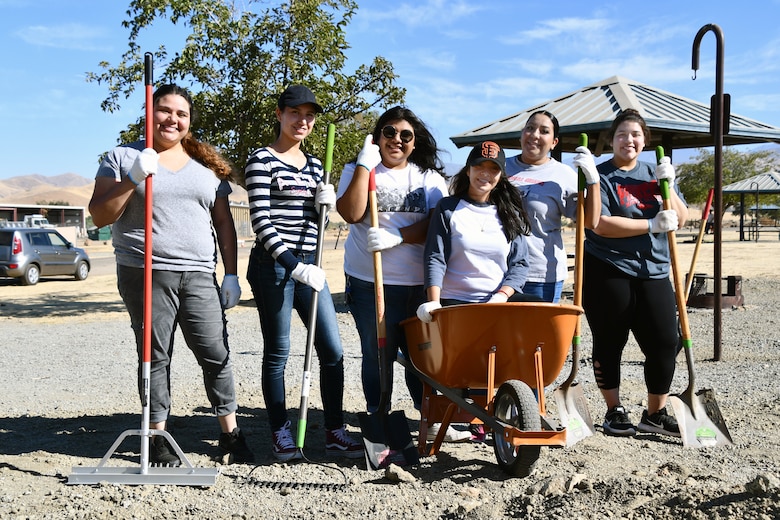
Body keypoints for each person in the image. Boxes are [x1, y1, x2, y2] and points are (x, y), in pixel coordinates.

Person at [88, 84, 254, 466]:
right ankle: (157, 436)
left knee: (215, 352)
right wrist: (132, 178)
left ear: (189, 121)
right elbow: (100, 214)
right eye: (165, 110)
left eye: (181, 114)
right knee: (155, 354)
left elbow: (224, 224)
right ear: (150, 112)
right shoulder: (122, 157)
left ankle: (231, 432)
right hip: (144, 270)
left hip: (198, 273)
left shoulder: (207, 167)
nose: (172, 119)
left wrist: (231, 274)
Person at [244, 85, 362, 461]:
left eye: (309, 115)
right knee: (279, 351)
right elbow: (261, 222)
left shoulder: (315, 167)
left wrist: (323, 205)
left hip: (309, 266)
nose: (303, 120)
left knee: (332, 349)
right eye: (295, 112)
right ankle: (280, 431)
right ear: (279, 114)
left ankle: (334, 431)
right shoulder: (261, 159)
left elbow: (316, 221)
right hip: (273, 267)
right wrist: (294, 267)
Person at [335, 106, 468, 442]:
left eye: (405, 136)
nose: (397, 140)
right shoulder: (358, 168)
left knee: (422, 356)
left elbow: (439, 225)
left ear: (414, 142)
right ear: (378, 136)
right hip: (370, 283)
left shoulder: (428, 178)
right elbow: (351, 213)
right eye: (389, 132)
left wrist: (399, 236)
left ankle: (431, 417)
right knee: (377, 354)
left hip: (418, 285)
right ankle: (378, 416)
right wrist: (365, 165)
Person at [574, 108, 688, 438]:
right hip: (608, 268)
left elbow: (680, 217)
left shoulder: (655, 172)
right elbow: (599, 224)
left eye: (636, 134)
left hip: (653, 269)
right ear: (612, 139)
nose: (630, 140)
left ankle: (655, 413)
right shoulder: (600, 174)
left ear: (644, 141)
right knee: (610, 341)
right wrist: (650, 224)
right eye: (622, 134)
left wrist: (670, 184)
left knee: (666, 341)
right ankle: (614, 410)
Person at [416, 141, 533, 312]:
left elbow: (520, 264)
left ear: (500, 176)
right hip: (454, 302)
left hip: (497, 303)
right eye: (479, 166)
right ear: (468, 170)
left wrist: (501, 296)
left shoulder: (510, 214)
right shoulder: (447, 208)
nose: (485, 173)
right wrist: (434, 303)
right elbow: (435, 257)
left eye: (494, 168)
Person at [506, 111, 601, 302]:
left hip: (540, 275)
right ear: (521, 133)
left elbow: (590, 221)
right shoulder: (499, 168)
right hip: (497, 270)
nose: (534, 135)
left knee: (540, 332)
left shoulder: (563, 175)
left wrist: (593, 181)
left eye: (544, 131)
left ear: (554, 142)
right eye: (530, 128)